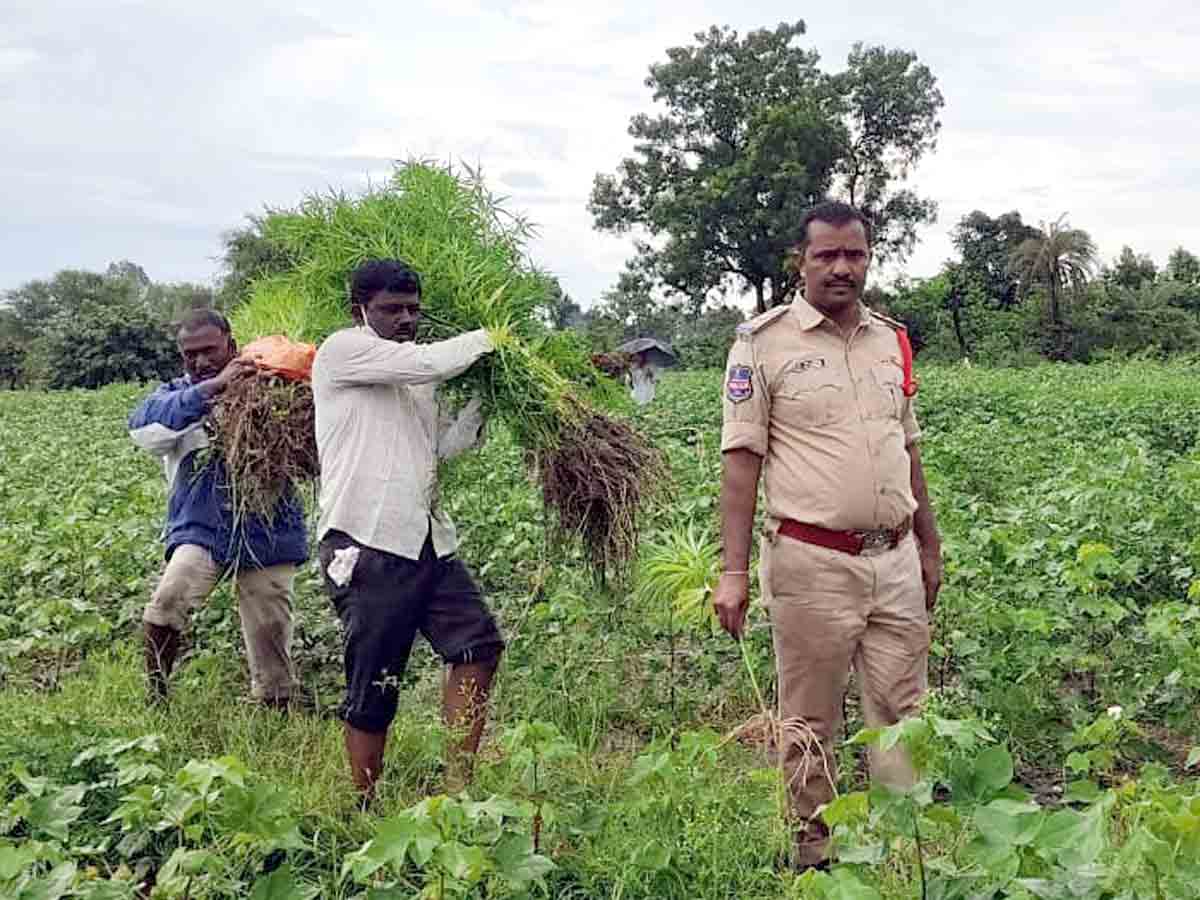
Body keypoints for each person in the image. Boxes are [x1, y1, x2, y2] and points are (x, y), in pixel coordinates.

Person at [713, 201, 942, 870]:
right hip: (811, 563)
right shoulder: (763, 343)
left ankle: (906, 856)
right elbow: (741, 459)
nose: (843, 268)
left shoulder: (889, 340)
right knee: (809, 721)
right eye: (827, 256)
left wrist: (929, 543)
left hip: (895, 558)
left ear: (868, 258)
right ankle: (815, 858)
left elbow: (909, 446)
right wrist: (732, 572)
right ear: (801, 261)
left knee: (903, 711)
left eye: (855, 255)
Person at [311, 258, 504, 804]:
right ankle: (363, 804)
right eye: (391, 309)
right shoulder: (342, 351)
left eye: (413, 309)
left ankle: (458, 788)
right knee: (374, 682)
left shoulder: (413, 376)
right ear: (360, 311)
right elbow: (429, 362)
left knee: (478, 647)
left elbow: (441, 446)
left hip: (425, 540)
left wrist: (481, 403)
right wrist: (492, 337)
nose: (405, 318)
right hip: (365, 542)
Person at [129, 309, 308, 708]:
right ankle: (157, 695)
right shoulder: (175, 396)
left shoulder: (270, 383)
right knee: (168, 601)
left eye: (209, 350)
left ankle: (276, 705)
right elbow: (143, 431)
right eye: (190, 354)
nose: (200, 361)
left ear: (231, 342)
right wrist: (210, 389)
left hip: (269, 527)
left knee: (270, 624)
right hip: (202, 526)